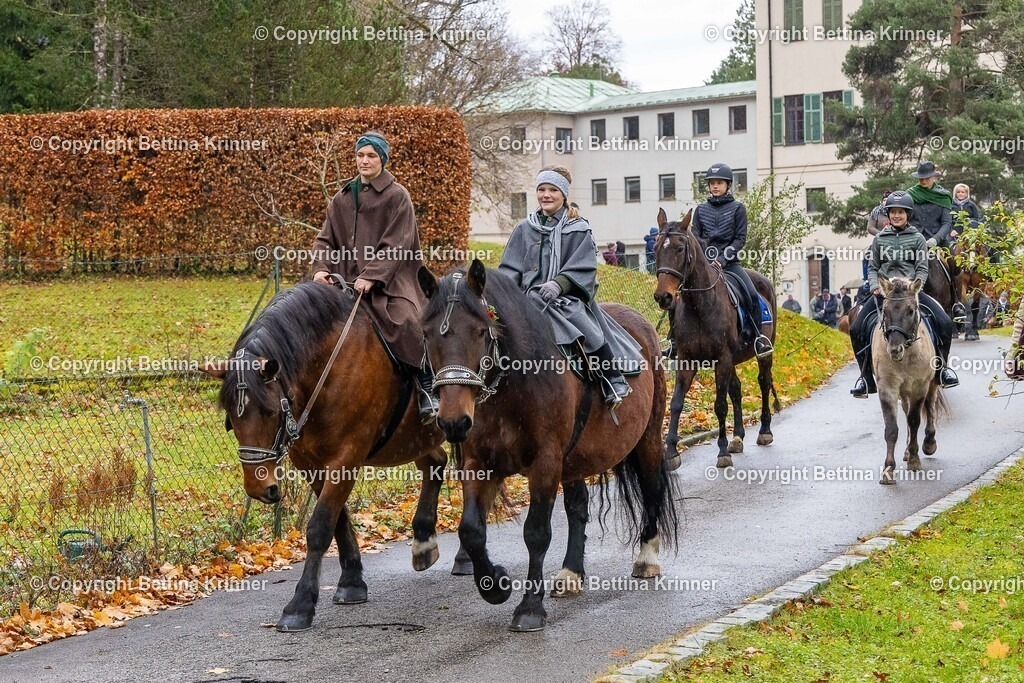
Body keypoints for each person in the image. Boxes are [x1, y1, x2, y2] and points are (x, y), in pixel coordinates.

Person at [310, 131, 438, 422]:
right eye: (360, 155)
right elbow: (325, 240)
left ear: (382, 159)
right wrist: (320, 269)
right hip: (342, 281)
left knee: (407, 321)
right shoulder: (342, 197)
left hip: (392, 283)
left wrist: (372, 276)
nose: (364, 161)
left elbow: (397, 244)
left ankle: (427, 384)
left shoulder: (397, 196)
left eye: (371, 155)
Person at [498, 165, 643, 406]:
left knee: (585, 328)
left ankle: (612, 379)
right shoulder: (524, 229)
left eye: (553, 190)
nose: (546, 195)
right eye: (541, 189)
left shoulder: (578, 228)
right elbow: (510, 269)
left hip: (564, 298)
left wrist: (558, 284)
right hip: (526, 298)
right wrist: (503, 294)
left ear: (564, 195)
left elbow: (584, 266)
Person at [849, 191, 959, 398]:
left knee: (944, 321)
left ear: (907, 214)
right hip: (887, 293)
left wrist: (915, 286)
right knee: (856, 328)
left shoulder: (917, 238)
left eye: (900, 212)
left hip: (911, 292)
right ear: (888, 214)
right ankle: (866, 378)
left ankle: (942, 370)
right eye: (893, 212)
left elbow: (922, 267)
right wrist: (875, 285)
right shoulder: (880, 239)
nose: (896, 216)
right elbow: (873, 267)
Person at [689, 163, 773, 357]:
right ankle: (674, 340)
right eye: (712, 183)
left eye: (719, 183)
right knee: (680, 295)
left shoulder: (738, 209)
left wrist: (723, 258)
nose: (715, 186)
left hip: (730, 264)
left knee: (751, 294)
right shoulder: (700, 210)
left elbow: (740, 239)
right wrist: (703, 260)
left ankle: (758, 338)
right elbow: (695, 238)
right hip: (705, 265)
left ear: (728, 185)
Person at [906, 160, 967, 322]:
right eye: (921, 178)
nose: (923, 180)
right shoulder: (910, 195)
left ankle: (956, 302)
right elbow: (907, 220)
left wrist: (935, 239)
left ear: (934, 177)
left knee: (954, 262)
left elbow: (947, 223)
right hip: (914, 239)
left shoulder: (944, 195)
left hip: (938, 239)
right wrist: (915, 237)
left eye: (926, 177)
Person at [864, 190, 892, 280]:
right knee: (867, 255)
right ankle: (867, 279)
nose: (886, 202)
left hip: (895, 239)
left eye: (888, 199)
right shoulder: (876, 212)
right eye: (884, 200)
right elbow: (870, 227)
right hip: (880, 240)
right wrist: (881, 233)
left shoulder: (896, 211)